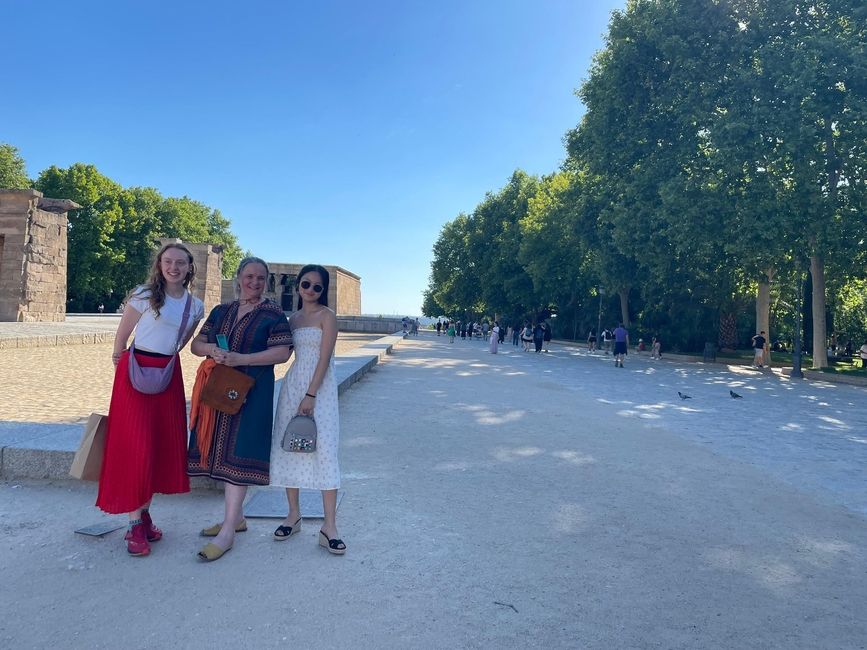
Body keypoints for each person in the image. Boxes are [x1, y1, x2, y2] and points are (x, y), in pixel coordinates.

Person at [96, 243, 205, 557]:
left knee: (156, 446)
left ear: (188, 268)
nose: (173, 267)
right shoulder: (143, 295)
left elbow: (180, 343)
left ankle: (143, 515)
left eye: (180, 263)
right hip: (135, 373)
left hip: (167, 375)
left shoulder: (195, 306)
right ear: (159, 264)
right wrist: (122, 362)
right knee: (137, 446)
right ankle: (133, 523)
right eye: (168, 261)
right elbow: (122, 337)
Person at [187, 257, 293, 562]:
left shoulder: (273, 314)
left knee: (238, 453)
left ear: (267, 282)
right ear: (239, 278)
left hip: (253, 391)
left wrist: (240, 359)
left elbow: (282, 352)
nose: (254, 283)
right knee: (220, 453)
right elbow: (197, 344)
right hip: (219, 388)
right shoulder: (222, 311)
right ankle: (235, 518)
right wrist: (212, 351)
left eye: (261, 278)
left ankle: (228, 533)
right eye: (249, 276)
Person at [270, 265, 345, 555]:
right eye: (306, 284)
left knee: (325, 450)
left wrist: (311, 394)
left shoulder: (328, 317)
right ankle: (293, 514)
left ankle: (330, 526)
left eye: (317, 286)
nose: (311, 290)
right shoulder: (293, 318)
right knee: (291, 448)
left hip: (319, 388)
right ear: (299, 285)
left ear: (323, 290)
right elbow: (283, 352)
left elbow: (324, 358)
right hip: (293, 385)